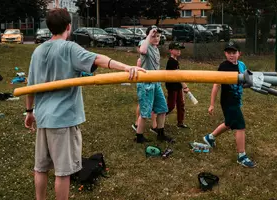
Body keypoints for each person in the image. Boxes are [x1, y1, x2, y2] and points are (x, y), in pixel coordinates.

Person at [24, 8, 145, 200]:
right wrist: (126, 67)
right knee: (62, 173)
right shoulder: (69, 48)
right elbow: (98, 59)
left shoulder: (37, 51)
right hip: (63, 120)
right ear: (69, 27)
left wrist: (29, 112)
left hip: (43, 118)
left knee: (41, 168)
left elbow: (29, 87)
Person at [203, 41, 255, 168]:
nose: (231, 55)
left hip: (237, 99)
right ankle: (241, 156)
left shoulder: (242, 65)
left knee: (229, 123)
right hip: (228, 101)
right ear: (225, 54)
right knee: (240, 126)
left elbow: (245, 82)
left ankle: (210, 137)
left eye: (234, 52)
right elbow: (216, 85)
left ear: (239, 53)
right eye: (229, 53)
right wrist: (212, 104)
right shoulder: (224, 66)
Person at [135, 25, 174, 143]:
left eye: (158, 36)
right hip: (146, 84)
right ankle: (139, 137)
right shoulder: (145, 44)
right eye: (154, 36)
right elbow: (142, 50)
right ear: (148, 36)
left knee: (162, 109)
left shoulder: (156, 48)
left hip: (156, 83)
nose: (156, 38)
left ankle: (160, 134)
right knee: (145, 113)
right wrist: (149, 35)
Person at [132, 48, 157, 134]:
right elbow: (138, 71)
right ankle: (137, 124)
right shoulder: (141, 59)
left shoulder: (153, 55)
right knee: (142, 105)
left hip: (152, 82)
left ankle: (154, 125)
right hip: (144, 84)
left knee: (153, 104)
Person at [165, 42, 189, 128]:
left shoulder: (175, 61)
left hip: (177, 86)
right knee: (171, 106)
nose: (179, 51)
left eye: (179, 49)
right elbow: (178, 76)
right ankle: (158, 117)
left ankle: (180, 122)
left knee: (181, 104)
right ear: (170, 50)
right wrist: (185, 86)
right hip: (172, 87)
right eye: (176, 49)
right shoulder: (171, 62)